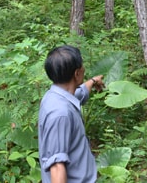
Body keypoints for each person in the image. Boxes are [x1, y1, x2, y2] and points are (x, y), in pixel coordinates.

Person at [38, 45, 105, 183]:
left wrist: (92, 82)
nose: (83, 68)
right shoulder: (60, 114)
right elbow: (57, 166)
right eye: (82, 66)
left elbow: (77, 94)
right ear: (77, 73)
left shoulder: (54, 96)